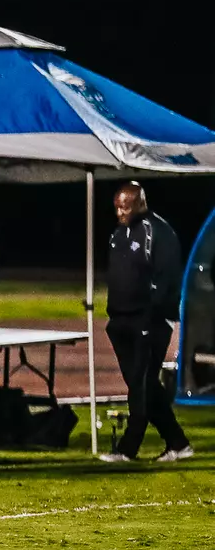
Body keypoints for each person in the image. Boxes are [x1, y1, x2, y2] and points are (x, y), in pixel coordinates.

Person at [101, 182, 191, 463]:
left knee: (140, 383)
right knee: (143, 384)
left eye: (125, 206)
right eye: (117, 206)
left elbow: (166, 278)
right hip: (121, 319)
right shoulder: (119, 233)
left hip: (148, 320)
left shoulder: (159, 232)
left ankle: (129, 447)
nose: (120, 212)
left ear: (141, 203)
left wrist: (150, 312)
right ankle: (178, 442)